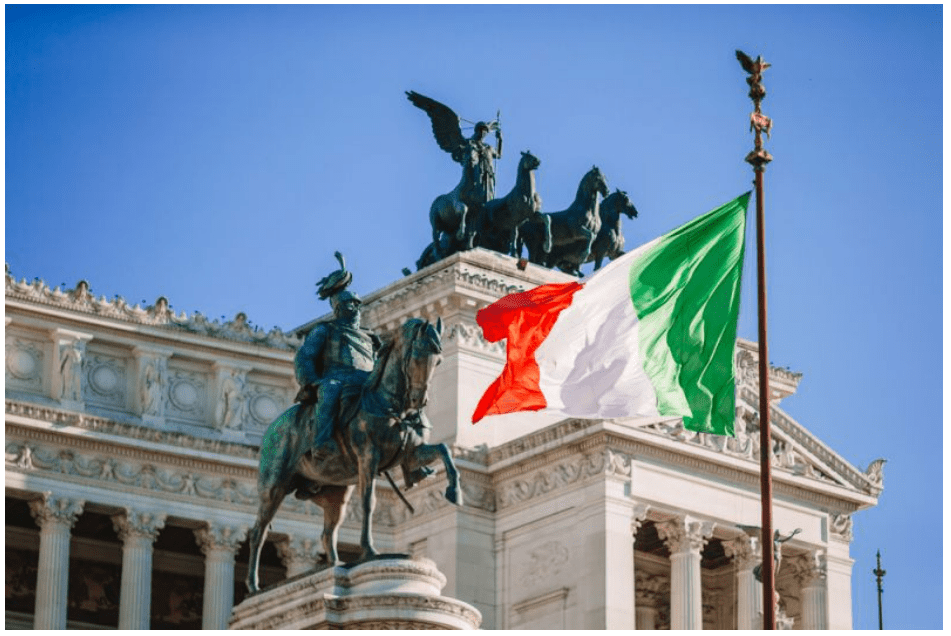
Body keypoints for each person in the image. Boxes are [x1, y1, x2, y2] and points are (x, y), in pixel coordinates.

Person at [294, 253, 380, 453]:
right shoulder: (325, 330)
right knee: (330, 390)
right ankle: (321, 441)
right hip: (337, 378)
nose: (355, 309)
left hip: (365, 381)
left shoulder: (371, 337)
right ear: (339, 309)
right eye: (349, 305)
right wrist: (313, 380)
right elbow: (305, 356)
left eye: (356, 305)